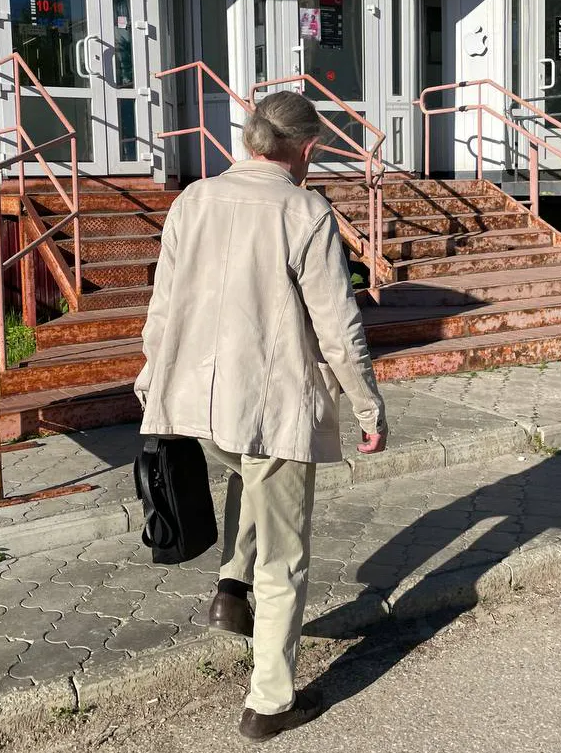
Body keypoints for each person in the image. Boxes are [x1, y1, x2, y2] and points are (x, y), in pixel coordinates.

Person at [134, 91, 387, 743]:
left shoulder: (192, 200)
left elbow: (162, 308)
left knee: (248, 474)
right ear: (307, 149)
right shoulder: (305, 211)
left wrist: (150, 384)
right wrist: (368, 407)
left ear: (250, 140)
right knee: (285, 555)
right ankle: (270, 701)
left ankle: (229, 588)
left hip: (194, 401)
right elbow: (338, 329)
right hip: (273, 405)